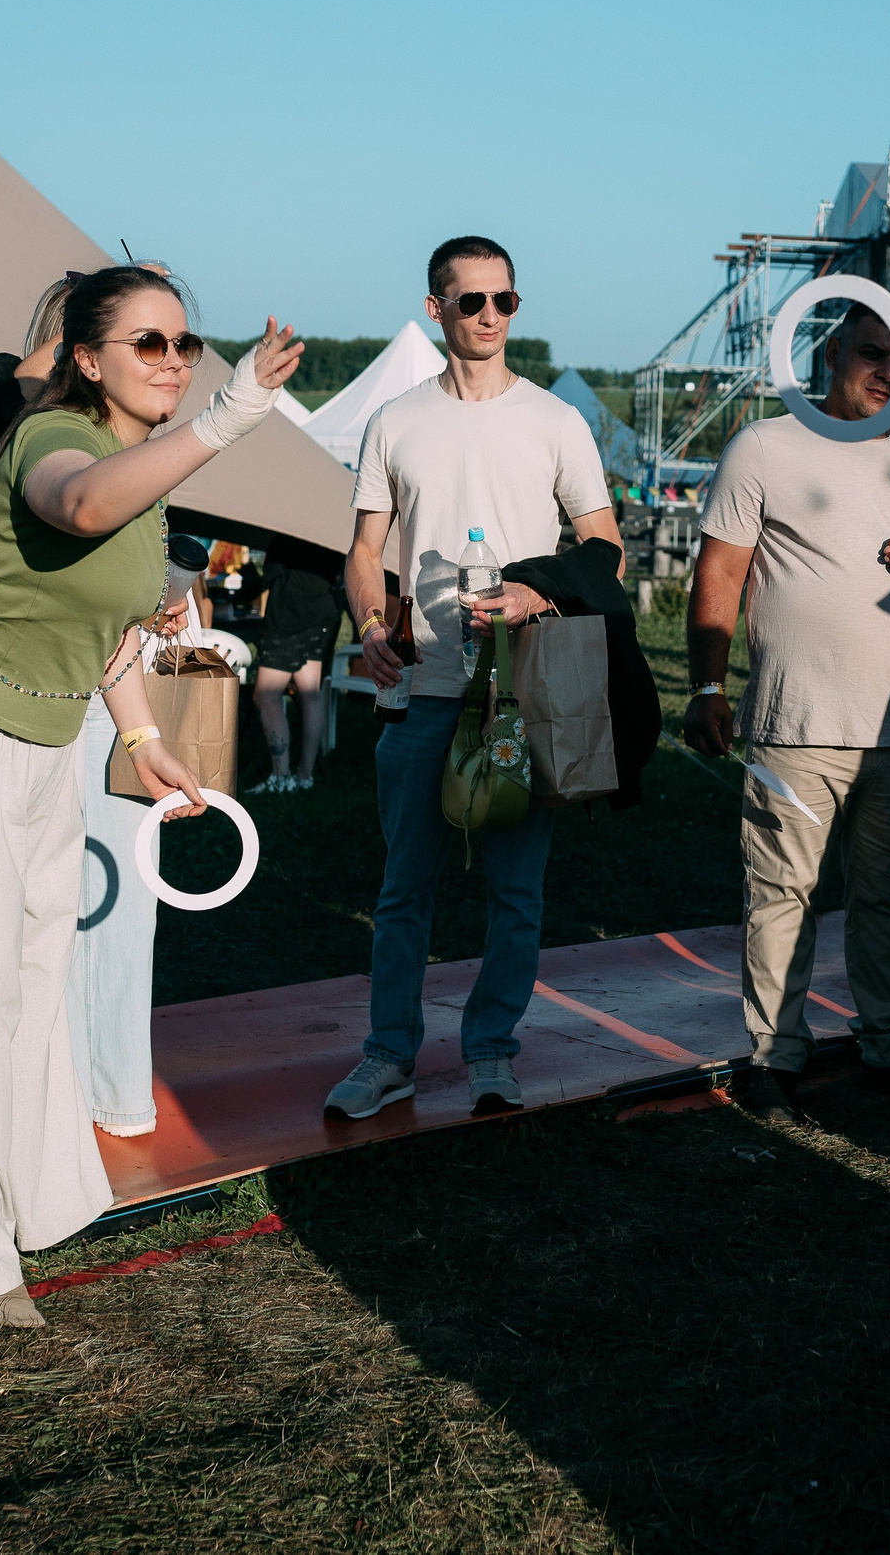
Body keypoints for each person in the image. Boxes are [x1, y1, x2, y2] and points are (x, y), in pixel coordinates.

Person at [0, 266, 300, 1324]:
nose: (173, 360)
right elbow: (79, 505)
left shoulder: (141, 464)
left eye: (185, 343)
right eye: (148, 343)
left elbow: (112, 631)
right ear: (87, 357)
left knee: (33, 991)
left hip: (44, 748)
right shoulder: (51, 440)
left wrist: (141, 735)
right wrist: (230, 414)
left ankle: (22, 1202)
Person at [328, 236, 620, 1120]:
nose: (490, 316)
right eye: (471, 302)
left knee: (515, 892)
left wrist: (537, 591)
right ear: (437, 309)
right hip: (420, 689)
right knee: (404, 888)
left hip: (519, 692)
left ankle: (494, 1047)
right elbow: (364, 552)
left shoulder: (554, 421)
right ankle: (390, 1056)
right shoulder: (397, 419)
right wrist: (371, 625)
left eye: (505, 301)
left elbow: (603, 543)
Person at [686, 304, 890, 1122]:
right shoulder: (765, 445)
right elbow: (720, 575)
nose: (886, 372)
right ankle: (775, 1057)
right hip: (793, 725)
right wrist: (708, 688)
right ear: (829, 355)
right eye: (870, 353)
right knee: (783, 895)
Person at [249, 550, 347, 793]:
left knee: (266, 696)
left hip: (289, 612)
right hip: (322, 609)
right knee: (310, 694)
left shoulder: (289, 529)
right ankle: (305, 776)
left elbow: (271, 571)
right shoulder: (327, 528)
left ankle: (281, 777)